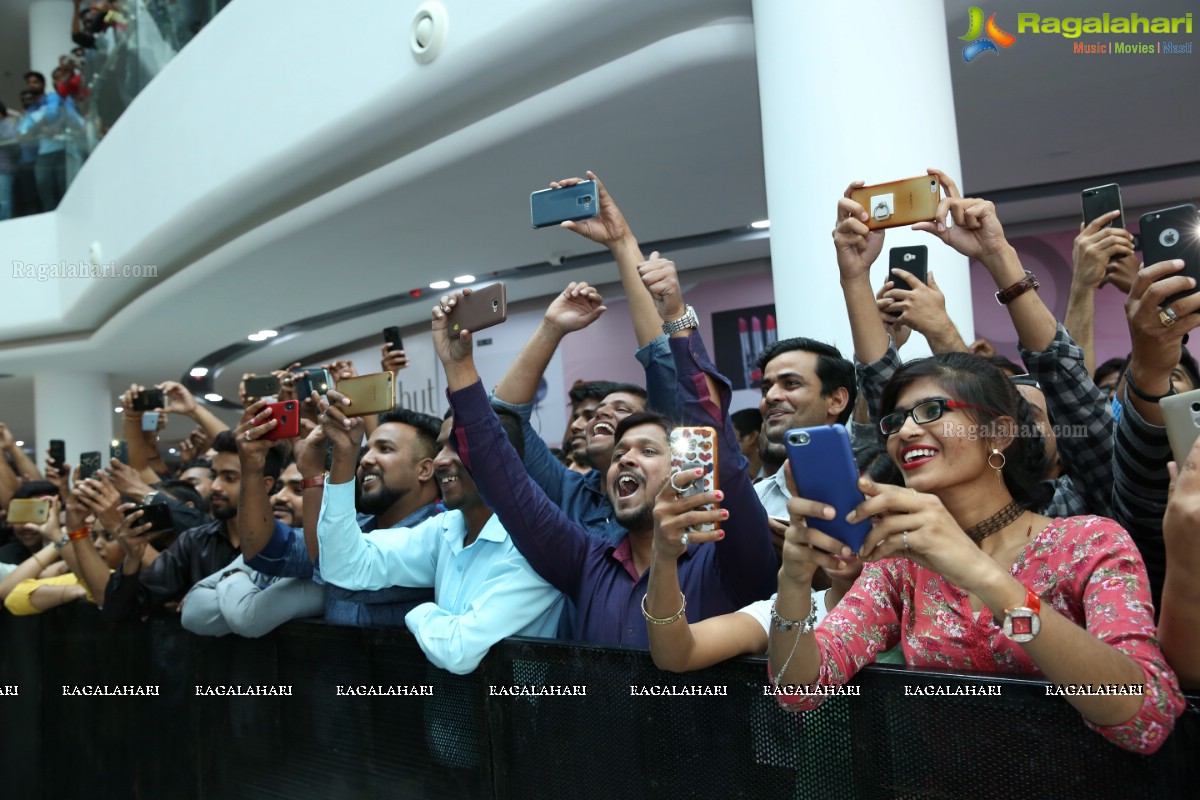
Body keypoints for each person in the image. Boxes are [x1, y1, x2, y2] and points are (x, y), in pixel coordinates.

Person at [768, 185, 1184, 756]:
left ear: (999, 433)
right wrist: (793, 582)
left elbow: (1144, 716)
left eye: (933, 411)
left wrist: (982, 575)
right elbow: (798, 689)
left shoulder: (1087, 544)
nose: (907, 430)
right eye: (894, 422)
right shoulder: (900, 569)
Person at [433, 261, 776, 647]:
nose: (625, 459)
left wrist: (677, 319)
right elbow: (507, 486)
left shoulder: (728, 557)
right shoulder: (587, 562)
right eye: (618, 455)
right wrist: (458, 366)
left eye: (647, 450)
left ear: (688, 465)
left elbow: (719, 449)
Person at [314, 406, 564, 674]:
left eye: (457, 446)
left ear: (506, 457)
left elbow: (458, 651)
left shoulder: (537, 545)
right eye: (440, 447)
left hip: (517, 715)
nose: (440, 461)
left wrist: (419, 611)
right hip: (445, 715)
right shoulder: (445, 528)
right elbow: (344, 566)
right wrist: (343, 459)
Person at [242, 403, 445, 627]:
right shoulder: (356, 527)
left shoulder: (440, 540)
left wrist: (339, 460)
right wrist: (252, 467)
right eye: (366, 450)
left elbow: (340, 570)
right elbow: (267, 550)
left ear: (425, 469)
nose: (366, 460)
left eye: (385, 449)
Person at [101, 431, 279, 621]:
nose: (215, 486)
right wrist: (133, 558)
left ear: (265, 485)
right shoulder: (195, 541)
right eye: (214, 475)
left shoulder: (284, 545)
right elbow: (122, 612)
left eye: (230, 478)